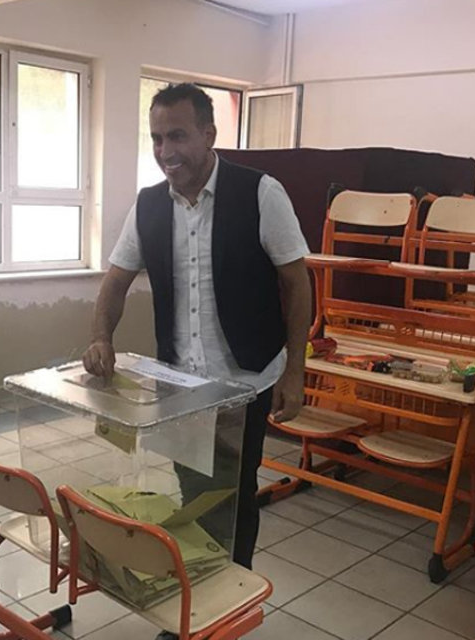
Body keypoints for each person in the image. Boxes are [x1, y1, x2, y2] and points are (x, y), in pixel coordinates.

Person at [83, 83, 311, 640]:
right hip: (181, 385)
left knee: (235, 495)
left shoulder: (260, 193)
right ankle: (198, 600)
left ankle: (227, 608)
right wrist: (100, 337)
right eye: (157, 138)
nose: (166, 151)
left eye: (178, 136)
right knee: (193, 494)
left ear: (209, 134)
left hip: (247, 379)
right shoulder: (148, 205)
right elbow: (116, 280)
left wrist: (296, 370)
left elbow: (296, 282)